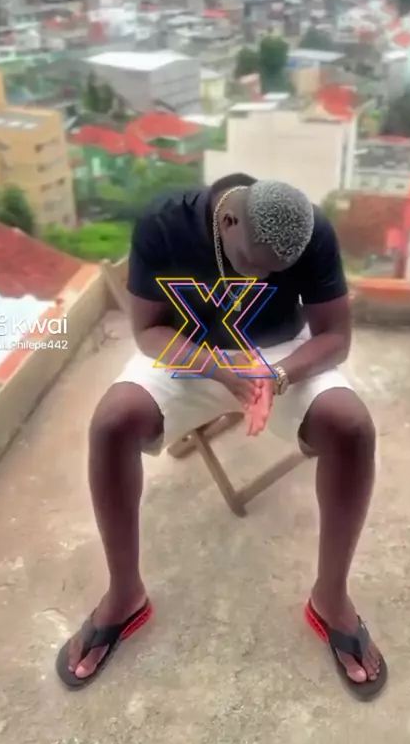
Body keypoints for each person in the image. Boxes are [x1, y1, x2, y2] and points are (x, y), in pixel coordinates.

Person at [56, 174, 387, 701]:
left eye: (275, 271)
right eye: (253, 262)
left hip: (279, 358)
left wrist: (276, 377)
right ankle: (124, 595)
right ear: (228, 221)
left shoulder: (309, 230)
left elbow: (335, 337)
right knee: (111, 423)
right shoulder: (164, 224)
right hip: (188, 352)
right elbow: (147, 332)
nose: (262, 277)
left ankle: (331, 598)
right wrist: (217, 369)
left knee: (353, 428)